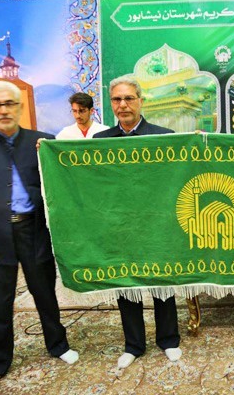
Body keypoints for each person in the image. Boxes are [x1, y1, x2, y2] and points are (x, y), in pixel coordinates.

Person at [0, 80, 79, 393]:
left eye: (9, 103)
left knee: (45, 294)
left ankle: (58, 345)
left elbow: (60, 187)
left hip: (34, 231)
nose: (3, 110)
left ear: (20, 106)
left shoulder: (42, 142)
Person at [94, 76, 182, 368]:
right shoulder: (100, 142)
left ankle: (168, 340)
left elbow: (175, 181)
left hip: (157, 224)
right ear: (111, 104)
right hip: (120, 226)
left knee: (162, 282)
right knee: (126, 283)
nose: (123, 105)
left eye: (129, 98)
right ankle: (133, 345)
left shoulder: (164, 137)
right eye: (117, 99)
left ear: (141, 101)